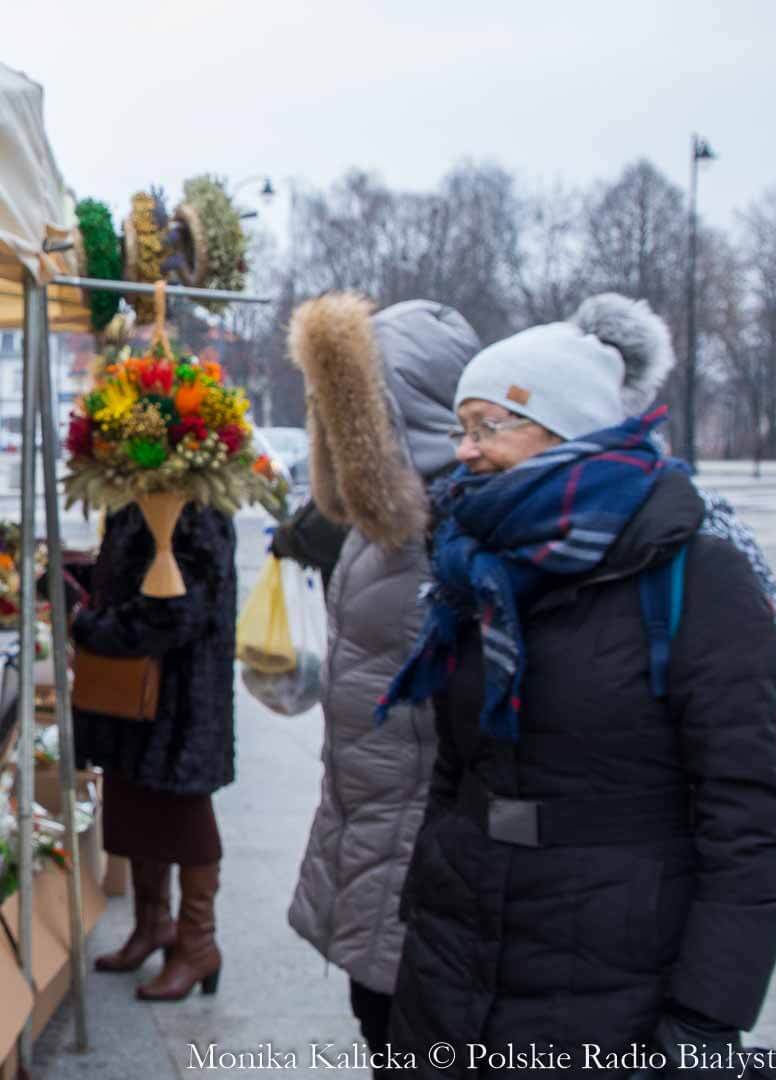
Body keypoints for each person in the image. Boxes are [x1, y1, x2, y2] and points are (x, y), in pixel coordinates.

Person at [381, 294, 776, 1075]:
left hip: (614, 978)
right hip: (454, 959)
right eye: (461, 427)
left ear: (569, 429)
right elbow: (456, 764)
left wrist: (706, 1018)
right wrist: (426, 898)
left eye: (489, 426)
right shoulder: (474, 561)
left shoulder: (694, 571)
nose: (464, 452)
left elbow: (748, 819)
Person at [276, 296, 480, 1069]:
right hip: (375, 835)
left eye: (345, 406)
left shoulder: (458, 532)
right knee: (383, 1029)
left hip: (422, 863)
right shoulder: (382, 528)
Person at [73, 499, 237, 1001]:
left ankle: (197, 945)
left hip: (179, 699)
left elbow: (175, 612)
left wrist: (87, 625)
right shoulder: (135, 499)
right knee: (136, 809)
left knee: (184, 819)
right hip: (133, 698)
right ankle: (152, 925)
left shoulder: (196, 509)